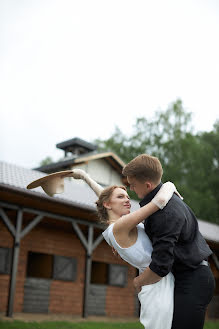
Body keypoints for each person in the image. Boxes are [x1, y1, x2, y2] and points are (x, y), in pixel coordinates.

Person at [70, 168, 181, 329]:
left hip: (156, 280)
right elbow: (160, 201)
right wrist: (169, 184)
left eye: (128, 197)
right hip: (158, 286)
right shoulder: (120, 226)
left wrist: (84, 176)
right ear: (107, 205)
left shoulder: (114, 227)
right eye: (121, 197)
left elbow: (104, 196)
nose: (128, 200)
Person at [122, 154, 215, 329]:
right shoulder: (164, 199)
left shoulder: (165, 215)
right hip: (187, 276)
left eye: (133, 185)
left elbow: (161, 266)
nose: (131, 189)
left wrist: (138, 282)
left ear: (148, 185)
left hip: (193, 280)